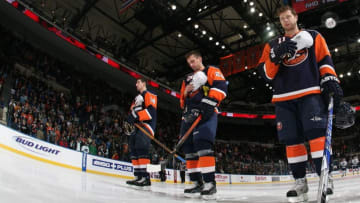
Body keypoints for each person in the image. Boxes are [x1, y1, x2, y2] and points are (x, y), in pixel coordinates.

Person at [258, 5, 343, 203]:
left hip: (310, 93)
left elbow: (325, 60)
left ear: (295, 17)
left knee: (316, 135)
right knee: (291, 139)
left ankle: (326, 177)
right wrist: (275, 56)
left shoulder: (313, 36)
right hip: (283, 98)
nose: (285, 21)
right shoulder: (272, 44)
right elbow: (267, 74)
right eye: (282, 19)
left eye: (288, 17)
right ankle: (299, 182)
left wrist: (330, 79)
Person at [179, 50, 227, 199]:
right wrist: (185, 93)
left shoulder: (211, 70)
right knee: (189, 149)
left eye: (193, 61)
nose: (191, 65)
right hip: (188, 116)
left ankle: (209, 183)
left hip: (205, 113)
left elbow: (221, 87)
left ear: (200, 59)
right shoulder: (187, 78)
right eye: (189, 63)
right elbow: (182, 101)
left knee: (203, 144)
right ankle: (196, 183)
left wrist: (208, 103)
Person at [125, 77, 157, 187]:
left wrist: (135, 116)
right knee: (133, 149)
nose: (136, 84)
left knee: (141, 148)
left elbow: (151, 112)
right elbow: (132, 111)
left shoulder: (149, 95)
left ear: (144, 83)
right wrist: (129, 118)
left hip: (146, 126)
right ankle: (138, 176)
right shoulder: (136, 98)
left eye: (138, 82)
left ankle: (145, 177)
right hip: (136, 127)